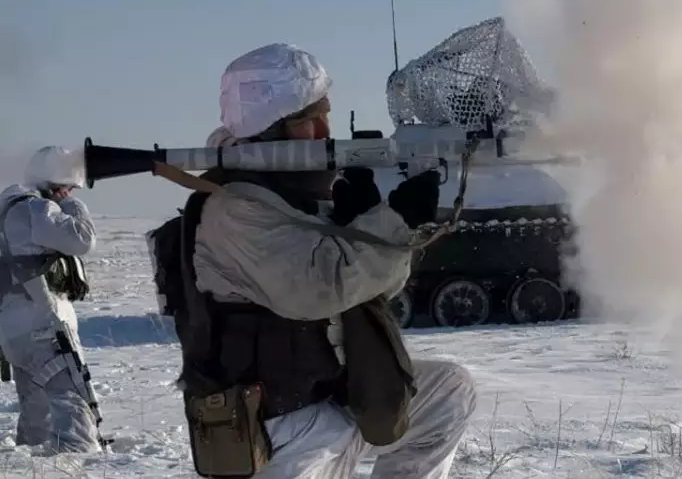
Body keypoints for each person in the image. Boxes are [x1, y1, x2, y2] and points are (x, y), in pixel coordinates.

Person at [149, 42, 476, 479]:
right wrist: (393, 222)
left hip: (335, 399)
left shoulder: (295, 193)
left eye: (325, 114)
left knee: (448, 391)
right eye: (308, 121)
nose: (325, 131)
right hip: (280, 427)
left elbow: (377, 286)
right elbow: (321, 290)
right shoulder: (236, 208)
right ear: (267, 130)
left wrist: (366, 221)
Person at [0, 145, 102, 453]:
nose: (70, 193)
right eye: (68, 188)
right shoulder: (35, 209)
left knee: (37, 413)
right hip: (42, 321)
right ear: (57, 185)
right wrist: (73, 206)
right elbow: (83, 239)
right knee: (72, 400)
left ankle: (30, 466)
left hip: (15, 326)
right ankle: (75, 463)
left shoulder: (6, 205)